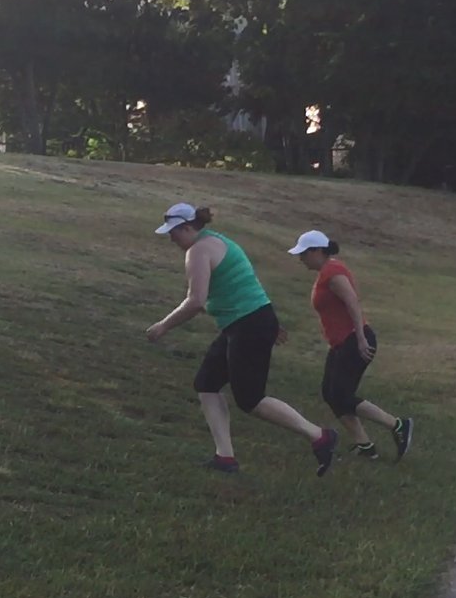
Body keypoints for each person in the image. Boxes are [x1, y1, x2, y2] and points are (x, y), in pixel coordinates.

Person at [147, 203, 340, 476]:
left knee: (250, 399)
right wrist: (268, 323)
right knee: (207, 383)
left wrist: (163, 326)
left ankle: (320, 436)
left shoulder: (199, 251)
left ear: (188, 228)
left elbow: (195, 301)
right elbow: (240, 285)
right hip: (248, 322)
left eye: (174, 233)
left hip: (248, 325)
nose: (171, 239)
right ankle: (225, 458)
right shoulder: (220, 242)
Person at [288, 230, 413, 461]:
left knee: (342, 395)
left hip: (353, 340)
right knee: (330, 393)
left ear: (317, 251)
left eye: (304, 254)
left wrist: (360, 338)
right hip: (340, 343)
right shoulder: (327, 271)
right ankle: (365, 446)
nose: (301, 259)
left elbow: (352, 302)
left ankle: (397, 425)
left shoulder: (333, 272)